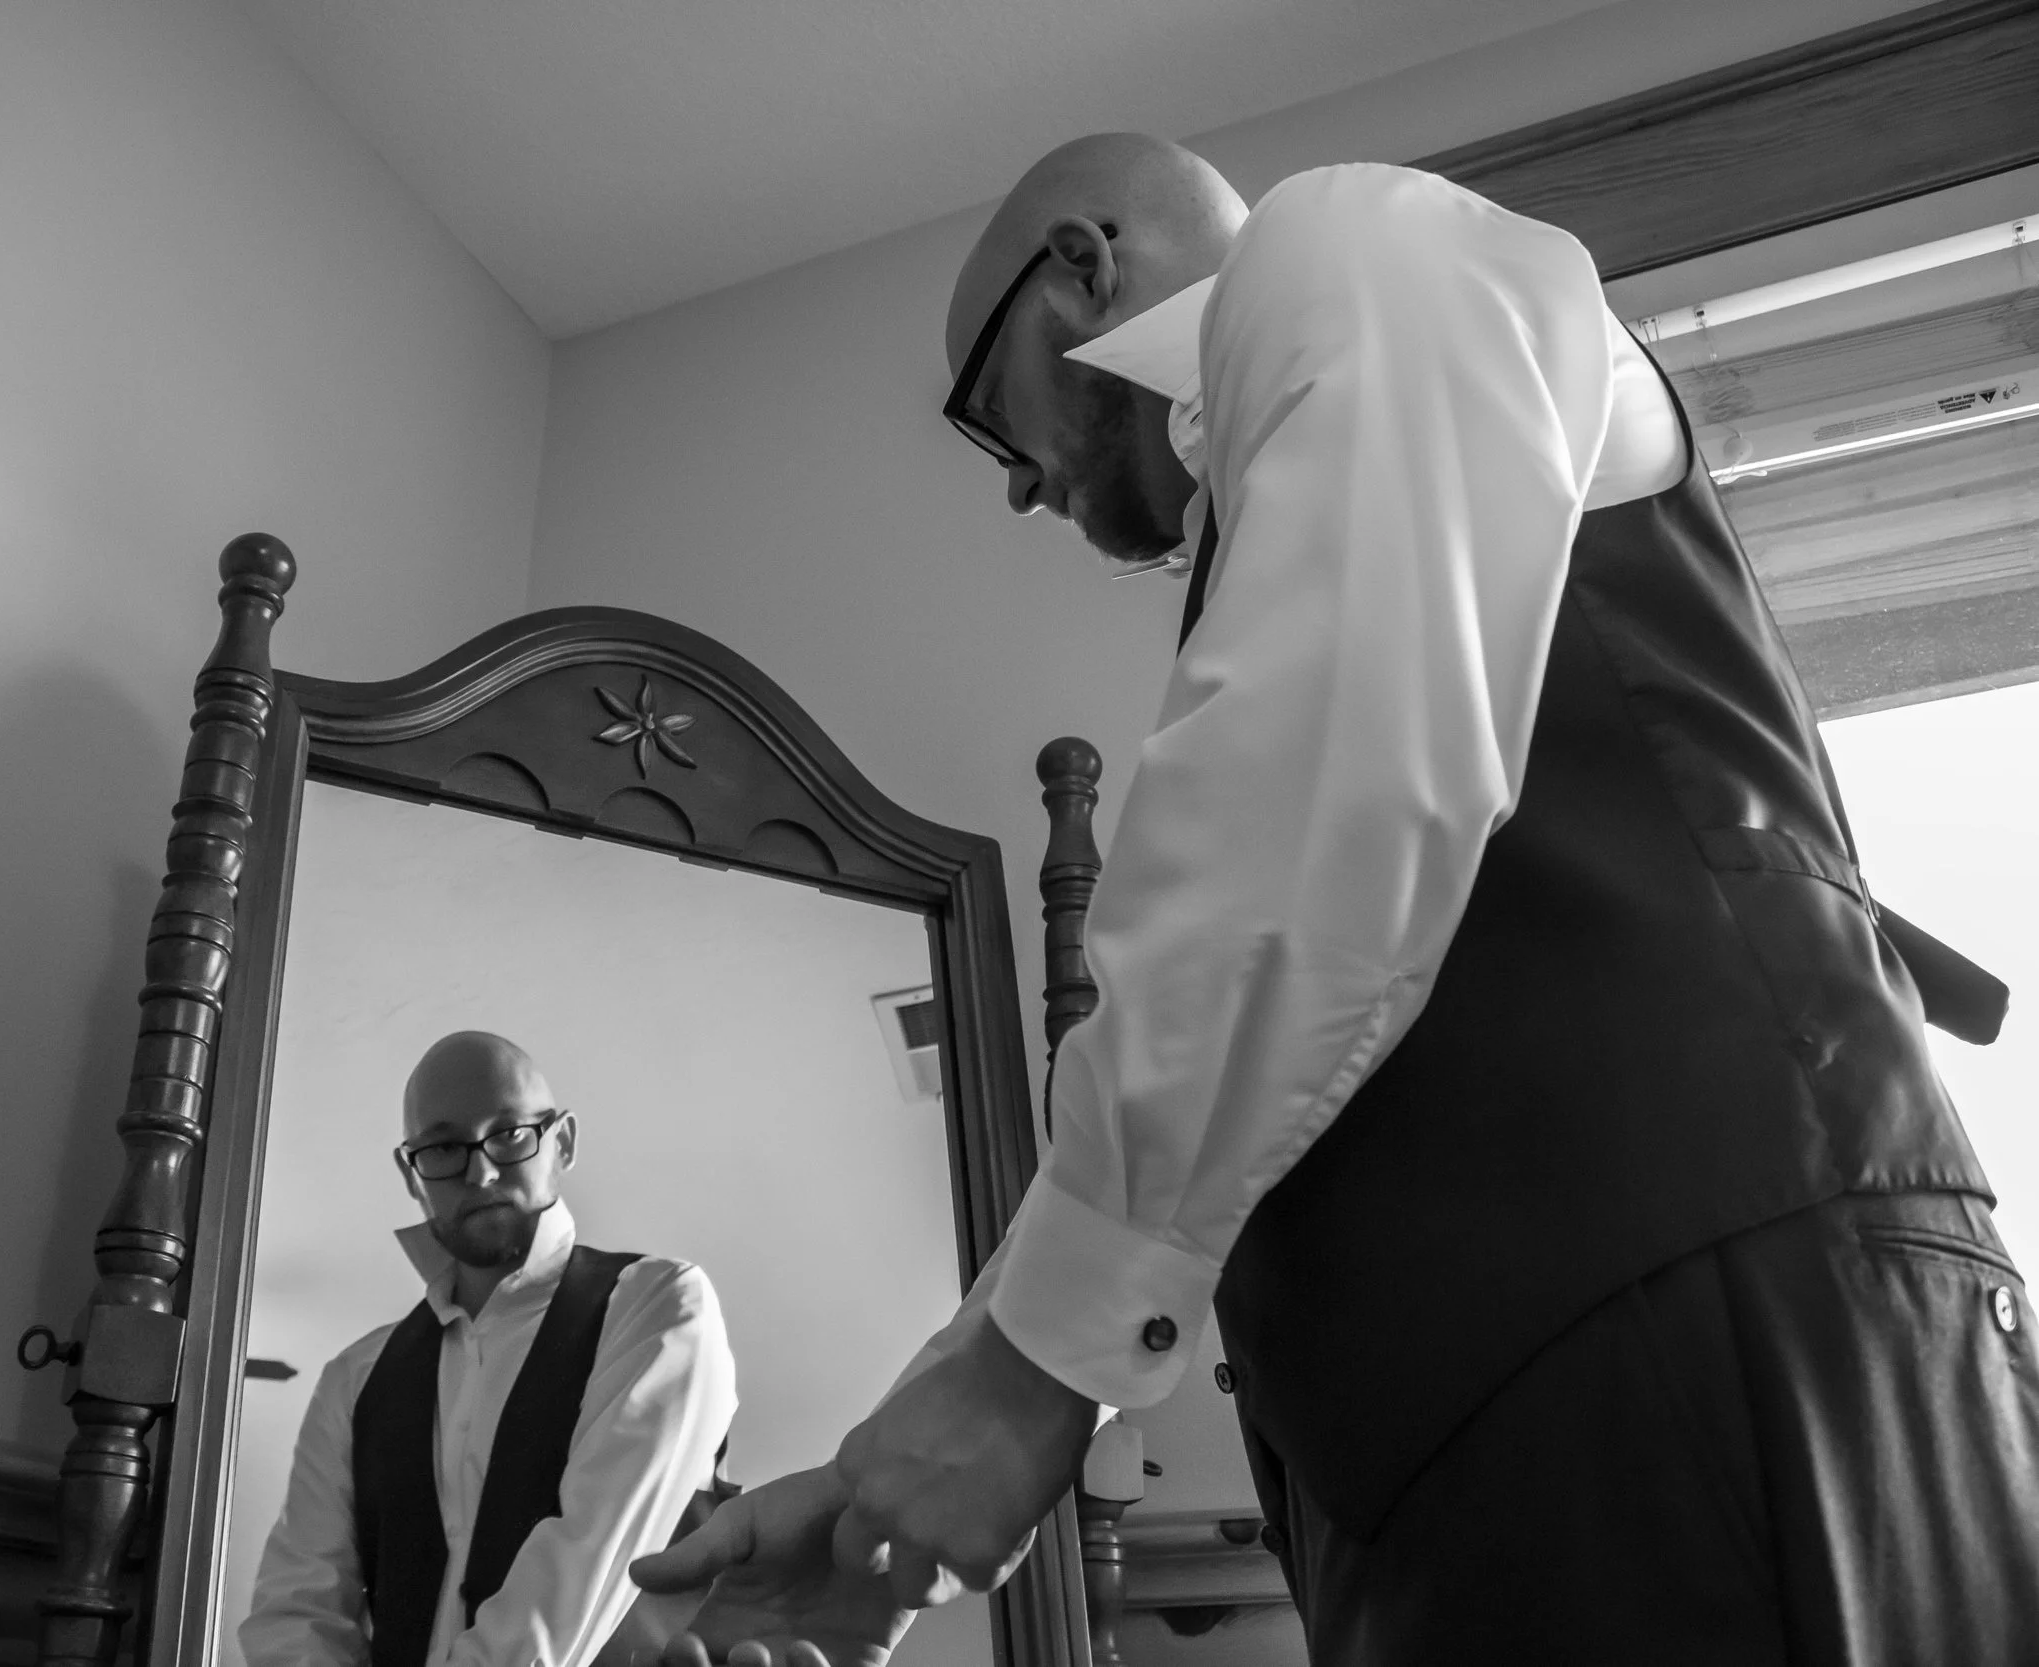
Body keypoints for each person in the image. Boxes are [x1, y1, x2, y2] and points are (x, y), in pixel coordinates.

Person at [633, 134, 2039, 1666]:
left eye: (991, 416)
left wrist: (1026, 1375)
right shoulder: (1301, 509)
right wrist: (887, 1472)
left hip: (1700, 1349)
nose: (1023, 481)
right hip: (1489, 1456)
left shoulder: (1356, 242)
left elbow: (1334, 786)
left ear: (1083, 268)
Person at [244, 1031, 736, 1667]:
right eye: (446, 1145)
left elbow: (585, 1562)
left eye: (507, 1133)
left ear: (561, 1142)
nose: (480, 1170)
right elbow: (295, 1611)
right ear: (411, 1172)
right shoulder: (354, 1378)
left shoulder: (655, 1305)